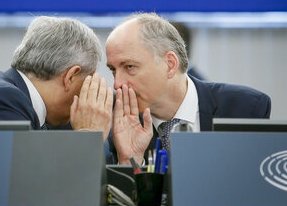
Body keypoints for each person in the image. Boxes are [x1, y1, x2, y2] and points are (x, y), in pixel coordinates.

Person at [106, 13, 271, 165]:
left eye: (129, 67)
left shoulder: (244, 109)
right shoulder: (124, 131)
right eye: (113, 70)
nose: (117, 84)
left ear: (170, 65)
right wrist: (130, 160)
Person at [0, 16, 113, 140]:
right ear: (70, 76)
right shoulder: (2, 100)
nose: (89, 99)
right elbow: (32, 184)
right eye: (88, 83)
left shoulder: (17, 98)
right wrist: (88, 135)